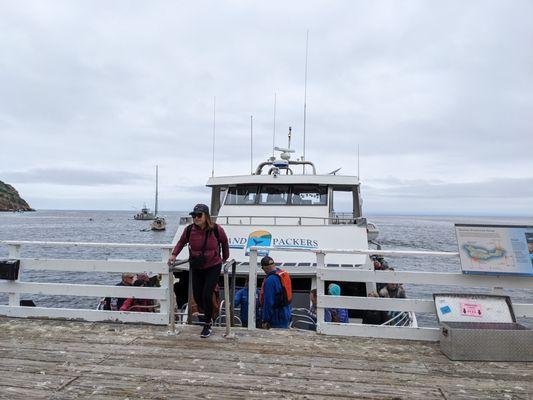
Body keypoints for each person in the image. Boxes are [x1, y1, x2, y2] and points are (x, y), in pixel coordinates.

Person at [167, 204, 229, 338]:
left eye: (199, 215)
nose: (196, 218)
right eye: (194, 215)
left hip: (213, 265)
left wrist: (225, 257)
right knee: (198, 295)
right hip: (196, 266)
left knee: (207, 294)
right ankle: (209, 316)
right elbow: (181, 242)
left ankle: (207, 324)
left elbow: (224, 242)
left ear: (206, 216)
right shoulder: (189, 230)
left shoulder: (216, 229)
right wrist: (173, 255)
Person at [259, 256, 291, 329]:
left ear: (265, 268)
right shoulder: (283, 274)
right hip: (286, 312)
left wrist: (265, 320)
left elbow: (268, 302)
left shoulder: (270, 280)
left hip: (276, 316)